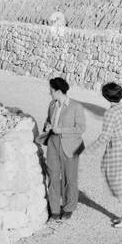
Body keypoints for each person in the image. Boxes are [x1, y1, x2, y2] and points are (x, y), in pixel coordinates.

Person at [40, 76, 86, 221]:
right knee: (53, 176)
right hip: (53, 142)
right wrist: (47, 126)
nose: (50, 93)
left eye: (52, 91)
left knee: (69, 178)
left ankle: (68, 207)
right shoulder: (52, 105)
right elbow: (48, 121)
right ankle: (54, 210)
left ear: (59, 91)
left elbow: (80, 128)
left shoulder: (76, 107)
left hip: (70, 145)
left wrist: (62, 130)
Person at [90, 82, 122, 228]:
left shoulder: (110, 113)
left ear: (105, 96)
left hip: (116, 151)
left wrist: (90, 149)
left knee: (117, 184)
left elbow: (105, 136)